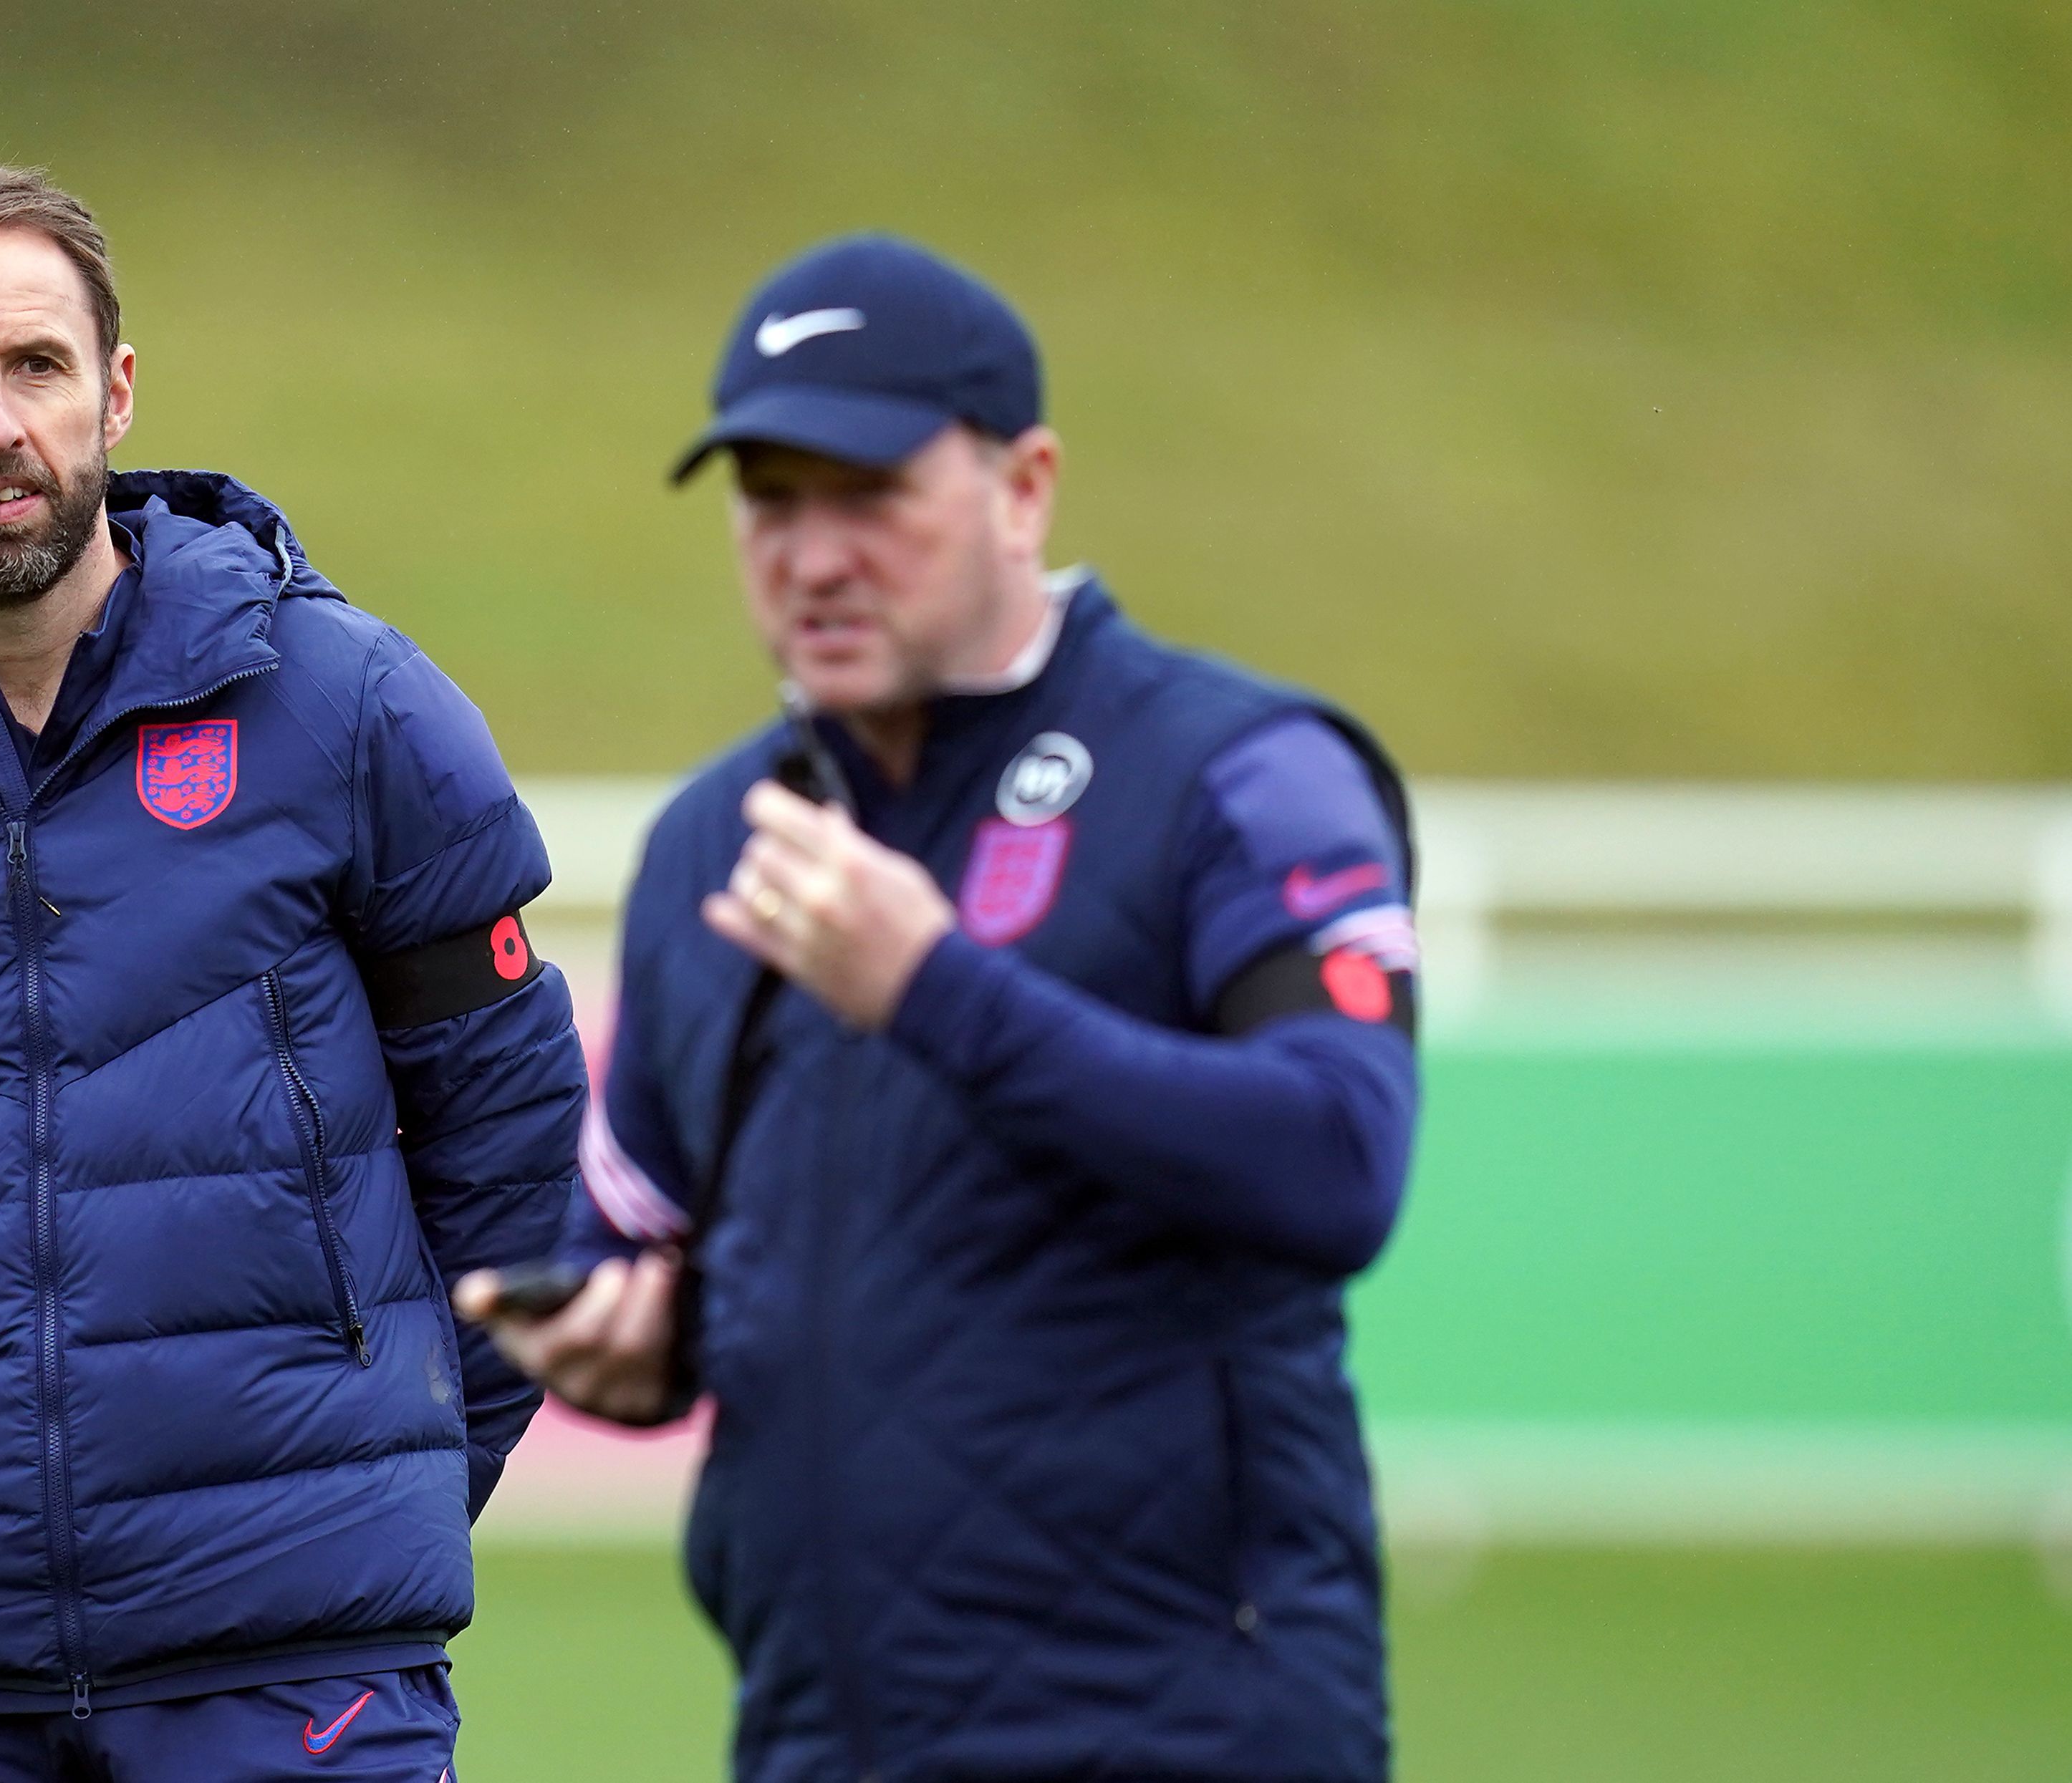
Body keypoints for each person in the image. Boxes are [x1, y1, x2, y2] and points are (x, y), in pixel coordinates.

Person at [0, 163, 583, 1783]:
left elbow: (509, 1141)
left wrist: (386, 1471)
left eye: (36, 363)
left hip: (299, 1658)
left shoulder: (348, 708)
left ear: (119, 389)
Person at [458, 236, 1420, 1782]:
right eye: (771, 500)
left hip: (1187, 1729)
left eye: (869, 494)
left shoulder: (1238, 772)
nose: (812, 555)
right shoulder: (713, 844)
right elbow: (635, 1235)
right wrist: (618, 1340)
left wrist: (935, 989)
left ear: (1023, 486)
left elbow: (1338, 1163)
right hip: (819, 1735)